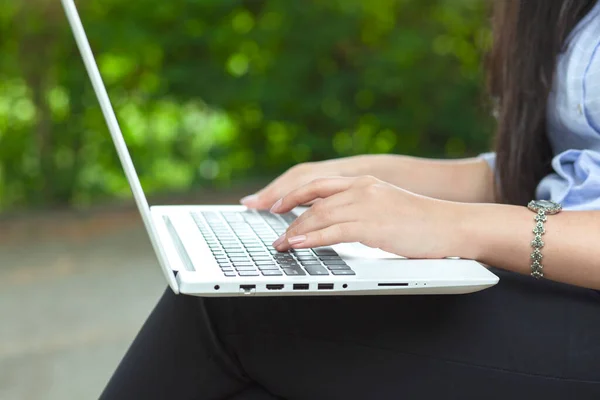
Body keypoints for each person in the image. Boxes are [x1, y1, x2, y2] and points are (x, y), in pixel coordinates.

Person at [100, 1, 600, 399]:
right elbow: (536, 173)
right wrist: (362, 178)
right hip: (547, 281)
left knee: (230, 313)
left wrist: (456, 226)